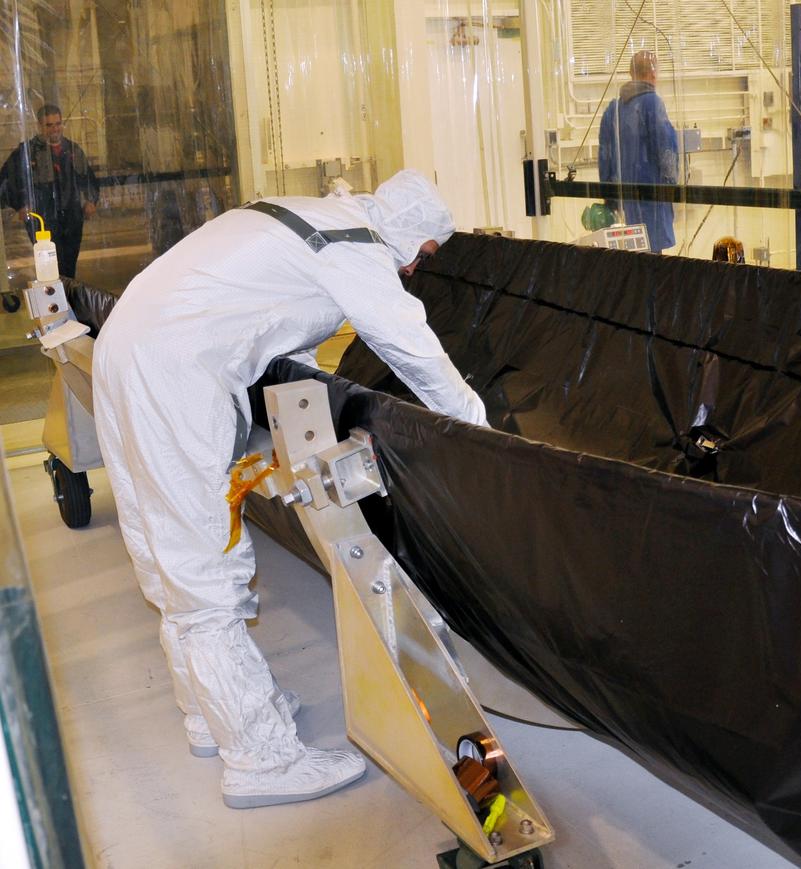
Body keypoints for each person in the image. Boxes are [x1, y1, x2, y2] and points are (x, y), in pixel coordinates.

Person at [92, 169, 487, 809]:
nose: (417, 267)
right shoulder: (355, 246)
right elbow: (414, 349)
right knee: (203, 568)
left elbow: (272, 322)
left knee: (164, 550)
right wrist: (479, 432)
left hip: (128, 350)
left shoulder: (310, 217)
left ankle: (209, 712)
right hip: (175, 374)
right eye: (425, 253)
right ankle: (259, 759)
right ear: (412, 234)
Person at [0, 104, 99, 278]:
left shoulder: (73, 150)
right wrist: (20, 205)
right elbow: (7, 180)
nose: (54, 129)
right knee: (50, 266)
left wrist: (91, 200)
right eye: (49, 125)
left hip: (72, 217)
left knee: (69, 263)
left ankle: (67, 298)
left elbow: (88, 178)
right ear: (40, 126)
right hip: (42, 219)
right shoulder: (27, 151)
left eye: (57, 124)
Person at [598, 50, 679, 253]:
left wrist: (610, 199)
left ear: (630, 73)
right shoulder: (652, 103)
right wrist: (672, 185)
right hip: (650, 202)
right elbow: (666, 149)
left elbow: (604, 157)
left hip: (624, 205)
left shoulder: (613, 109)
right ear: (653, 75)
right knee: (652, 266)